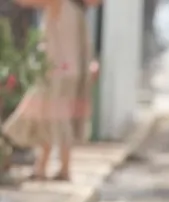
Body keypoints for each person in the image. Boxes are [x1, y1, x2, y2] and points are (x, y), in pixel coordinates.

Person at [3, 0, 100, 182]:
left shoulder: (60, 3)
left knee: (52, 118)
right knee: (49, 117)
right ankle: (44, 166)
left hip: (56, 69)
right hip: (70, 70)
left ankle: (61, 168)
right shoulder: (76, 8)